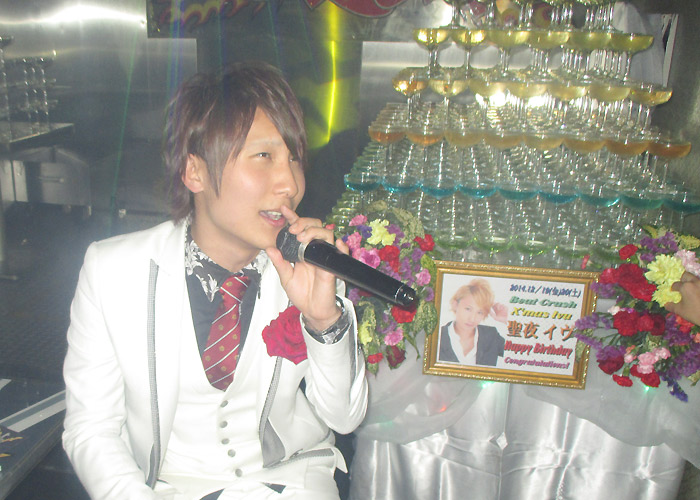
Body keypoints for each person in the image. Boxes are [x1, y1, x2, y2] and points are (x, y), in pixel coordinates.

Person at [62, 62, 368, 500]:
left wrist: (324, 320)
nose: (289, 184)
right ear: (196, 172)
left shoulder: (310, 270)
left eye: (294, 158)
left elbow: (344, 418)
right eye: (263, 157)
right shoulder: (113, 271)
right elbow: (91, 428)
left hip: (290, 484)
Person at [438, 278, 507, 366]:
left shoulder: (491, 335)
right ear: (455, 305)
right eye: (468, 309)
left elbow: (517, 353)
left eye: (480, 312)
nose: (472, 319)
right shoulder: (439, 335)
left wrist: (506, 320)